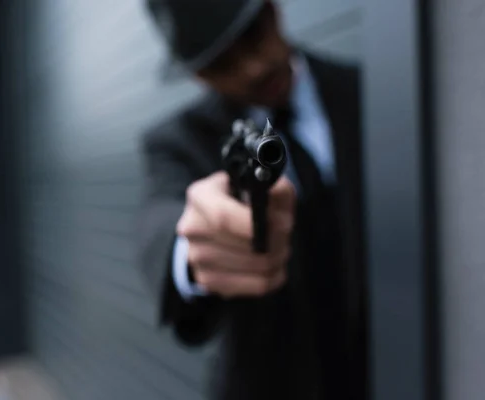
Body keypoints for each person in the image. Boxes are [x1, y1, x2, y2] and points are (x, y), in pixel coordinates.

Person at [137, 1, 367, 399]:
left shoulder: (366, 90)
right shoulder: (179, 141)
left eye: (251, 36)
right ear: (197, 74)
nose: (252, 68)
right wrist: (191, 251)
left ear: (273, 10)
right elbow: (160, 218)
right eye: (221, 63)